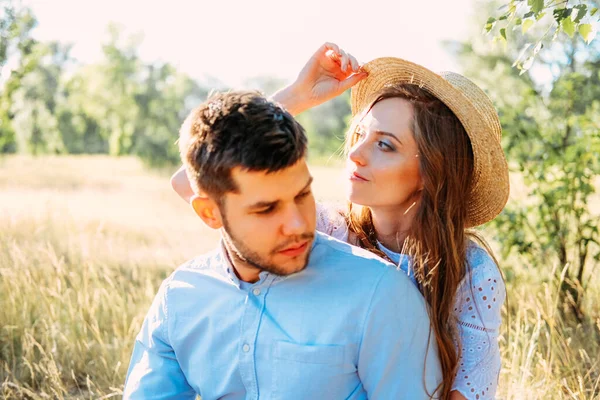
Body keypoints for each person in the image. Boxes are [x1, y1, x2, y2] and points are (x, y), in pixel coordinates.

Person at [171, 43, 510, 400]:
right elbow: (188, 182)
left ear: (432, 172)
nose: (355, 153)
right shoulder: (329, 227)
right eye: (360, 135)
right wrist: (294, 99)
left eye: (385, 145)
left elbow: (470, 388)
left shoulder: (470, 271)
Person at [124, 90, 442, 399]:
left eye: (302, 195)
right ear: (210, 213)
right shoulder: (180, 299)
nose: (299, 224)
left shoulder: (381, 295)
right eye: (266, 208)